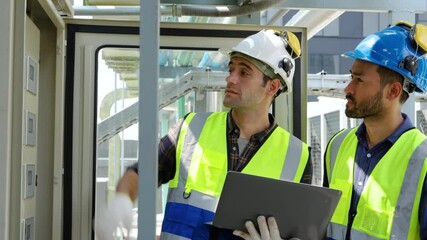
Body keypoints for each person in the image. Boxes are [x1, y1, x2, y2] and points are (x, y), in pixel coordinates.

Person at [95, 29, 313, 240]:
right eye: (231, 69)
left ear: (272, 87)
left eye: (244, 72)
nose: (230, 78)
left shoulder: (297, 157)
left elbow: (299, 231)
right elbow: (141, 173)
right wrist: (121, 201)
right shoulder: (190, 129)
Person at [234, 22, 427, 240]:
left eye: (359, 80)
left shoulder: (422, 160)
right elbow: (322, 231)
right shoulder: (337, 146)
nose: (347, 88)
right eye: (351, 76)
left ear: (393, 91)